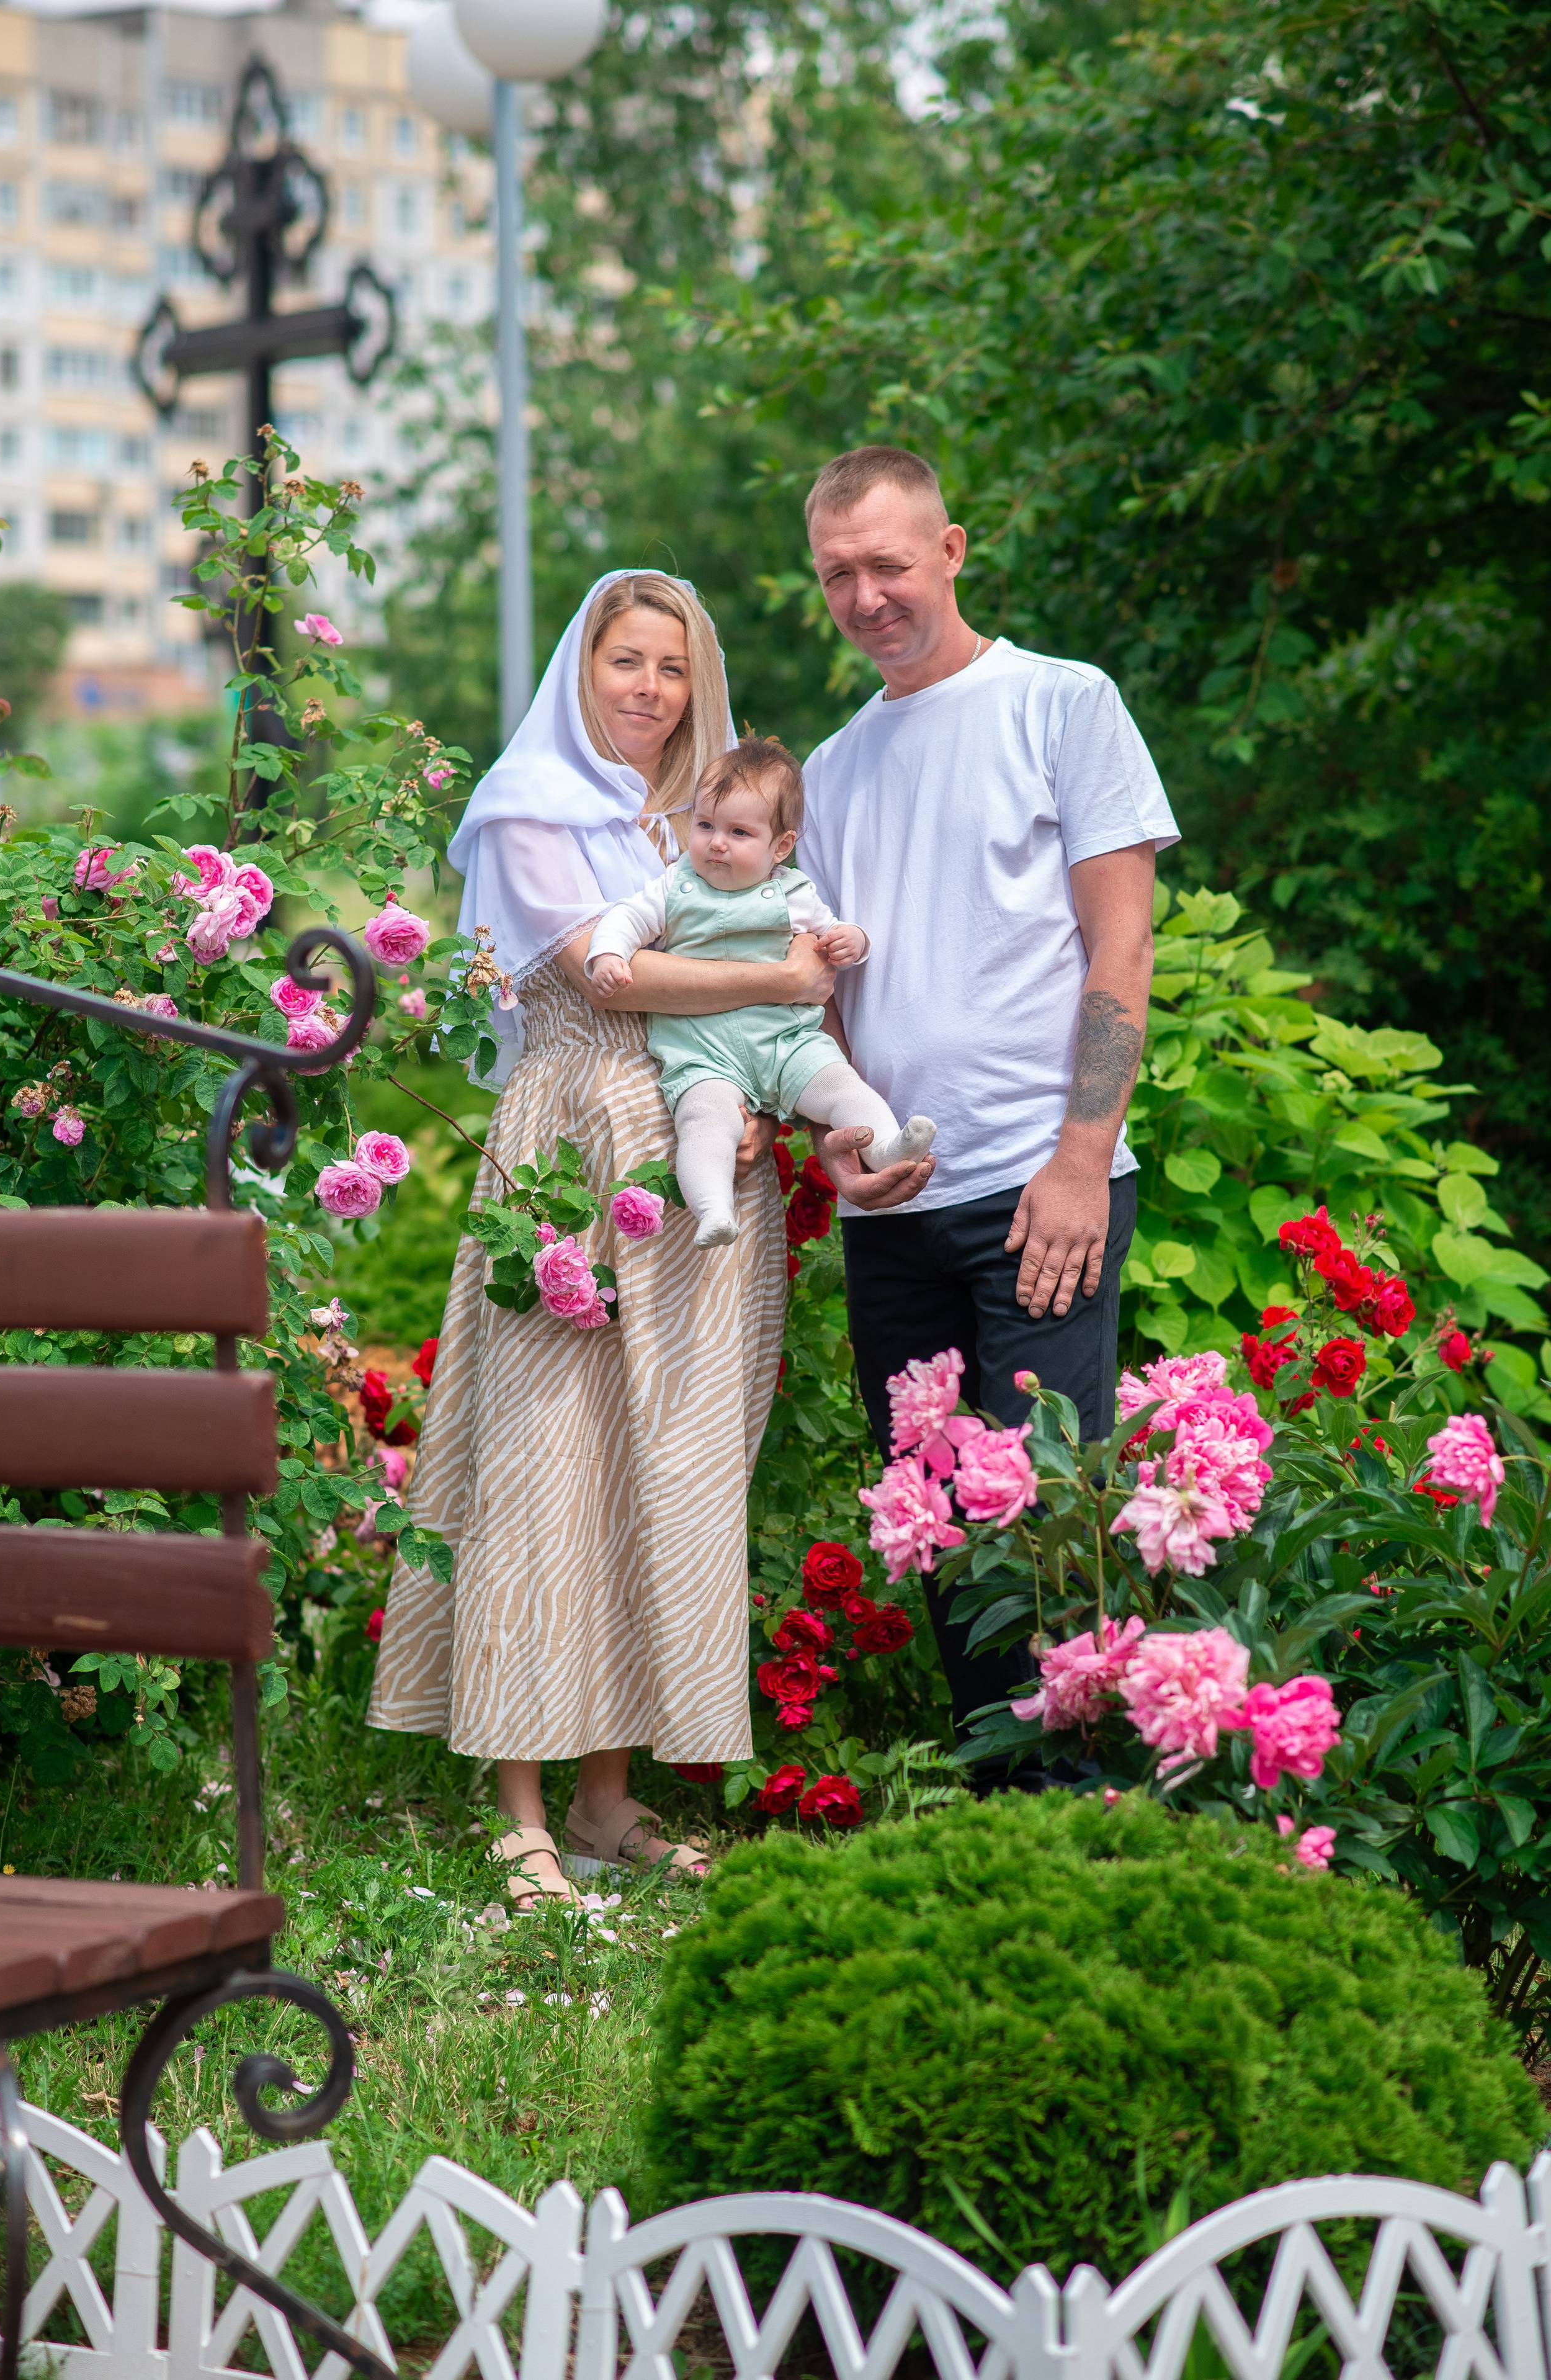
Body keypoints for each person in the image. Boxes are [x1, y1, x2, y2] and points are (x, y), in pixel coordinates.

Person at [369, 570, 835, 1905]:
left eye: (672, 669)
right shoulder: (529, 808)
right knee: (547, 1459)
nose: (648, 689)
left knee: (667, 1468)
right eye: (624, 662)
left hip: (703, 1173)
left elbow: (767, 1004)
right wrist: (780, 977)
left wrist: (754, 1094)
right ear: (582, 670)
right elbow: (598, 973)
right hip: (572, 1146)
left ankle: (605, 1798)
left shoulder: (705, 822)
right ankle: (515, 1800)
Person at [796, 446, 1179, 1758]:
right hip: (892, 1211)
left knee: (1046, 1543)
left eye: (888, 565)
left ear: (951, 550)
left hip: (1038, 1193)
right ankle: (990, 1842)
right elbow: (831, 1006)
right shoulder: (834, 771)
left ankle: (1081, 1832)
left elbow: (1118, 948)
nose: (866, 596)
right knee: (939, 1542)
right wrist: (835, 1146)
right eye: (838, 572)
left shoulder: (1062, 706)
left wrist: (1082, 1158)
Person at [586, 734, 935, 1247]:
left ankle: (885, 1147)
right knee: (705, 1120)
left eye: (739, 832)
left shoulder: (794, 892)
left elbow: (836, 931)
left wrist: (853, 941)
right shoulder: (676, 884)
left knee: (842, 1086)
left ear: (781, 846)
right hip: (703, 1051)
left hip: (786, 1043)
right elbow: (627, 916)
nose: (717, 842)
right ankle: (713, 1207)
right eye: (705, 825)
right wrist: (610, 954)